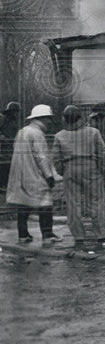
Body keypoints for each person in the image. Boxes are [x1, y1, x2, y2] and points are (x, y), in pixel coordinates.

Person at [53, 105, 105, 245]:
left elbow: (56, 159)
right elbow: (102, 153)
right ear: (80, 117)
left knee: (73, 204)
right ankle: (101, 235)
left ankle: (78, 237)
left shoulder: (59, 136)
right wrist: (100, 169)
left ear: (65, 120)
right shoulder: (93, 132)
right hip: (90, 167)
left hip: (70, 169)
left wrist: (63, 171)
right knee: (96, 202)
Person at [5, 104, 59, 244]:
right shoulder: (37, 134)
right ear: (42, 118)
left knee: (23, 205)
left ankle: (23, 235)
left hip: (20, 175)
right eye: (48, 119)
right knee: (45, 204)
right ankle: (48, 235)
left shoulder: (22, 131)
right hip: (33, 174)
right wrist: (49, 176)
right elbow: (41, 156)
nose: (50, 122)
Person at [0, 101, 20, 192]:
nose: (16, 114)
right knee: (3, 165)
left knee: (10, 165)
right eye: (15, 111)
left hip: (10, 146)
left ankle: (7, 184)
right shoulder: (2, 118)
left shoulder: (14, 122)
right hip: (3, 147)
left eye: (17, 112)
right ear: (10, 112)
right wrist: (2, 137)